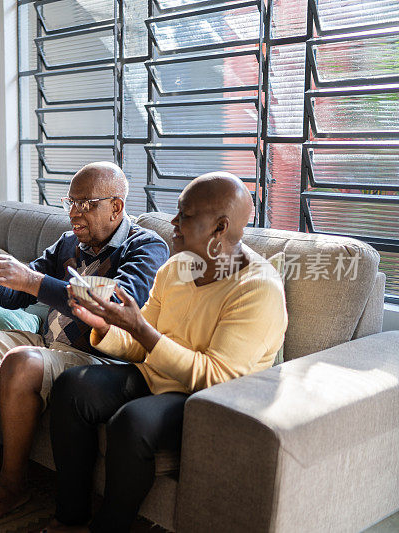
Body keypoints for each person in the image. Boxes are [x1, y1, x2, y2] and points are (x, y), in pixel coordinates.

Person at [46, 172, 288, 532]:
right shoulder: (176, 267)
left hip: (208, 400)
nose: (173, 223)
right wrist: (105, 326)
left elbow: (217, 377)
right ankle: (71, 516)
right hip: (156, 375)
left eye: (185, 215)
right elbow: (141, 342)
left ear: (220, 227)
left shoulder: (257, 288)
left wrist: (142, 330)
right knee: (72, 386)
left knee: (132, 422)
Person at [0, 162, 171, 522]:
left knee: (22, 361)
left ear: (116, 208)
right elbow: (17, 297)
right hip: (47, 343)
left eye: (85, 204)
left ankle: (13, 486)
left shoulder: (147, 247)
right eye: (70, 202)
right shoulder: (69, 241)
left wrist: (29, 280)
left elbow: (116, 309)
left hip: (99, 360)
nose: (74, 213)